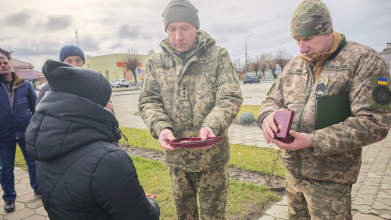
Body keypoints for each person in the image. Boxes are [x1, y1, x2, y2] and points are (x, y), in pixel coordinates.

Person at [258, 0, 391, 219]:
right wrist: (267, 117)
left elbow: (376, 121)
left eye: (308, 39)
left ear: (328, 31)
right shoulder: (294, 65)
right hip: (293, 175)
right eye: (297, 40)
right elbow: (270, 101)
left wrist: (313, 140)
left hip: (331, 181)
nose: (302, 48)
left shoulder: (364, 60)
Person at [138, 0, 243, 219]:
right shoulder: (156, 63)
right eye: (171, 29)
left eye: (184, 28)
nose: (177, 36)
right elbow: (149, 101)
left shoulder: (217, 56)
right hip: (177, 160)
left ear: (196, 27)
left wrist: (211, 124)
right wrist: (162, 128)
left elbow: (230, 96)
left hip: (211, 159)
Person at [25, 60, 160, 220]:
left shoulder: (45, 143)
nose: (111, 105)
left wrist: (126, 197)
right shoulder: (108, 160)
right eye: (109, 100)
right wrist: (149, 202)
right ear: (94, 106)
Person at [0, 53, 39, 213]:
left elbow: (36, 108)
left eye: (5, 62)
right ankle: (9, 197)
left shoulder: (25, 85)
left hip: (26, 132)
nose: (3, 65)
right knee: (6, 168)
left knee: (33, 163)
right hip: (3, 135)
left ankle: (39, 188)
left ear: (10, 65)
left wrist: (35, 127)